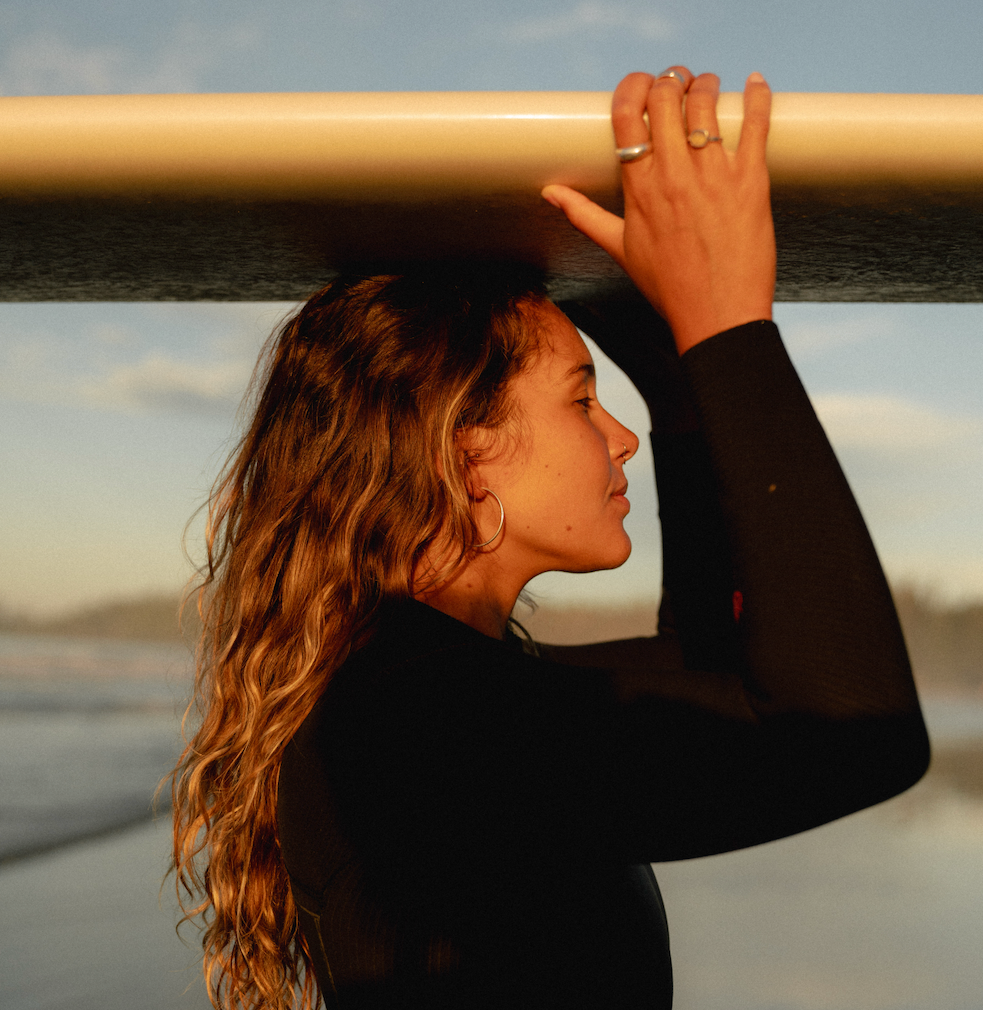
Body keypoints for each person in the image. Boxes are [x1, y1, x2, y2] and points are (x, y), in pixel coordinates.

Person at [170, 67, 930, 1010]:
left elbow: (737, 671)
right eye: (581, 397)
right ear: (463, 451)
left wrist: (689, 407)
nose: (617, 437)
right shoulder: (421, 722)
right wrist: (729, 328)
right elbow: (860, 730)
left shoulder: (425, 692)